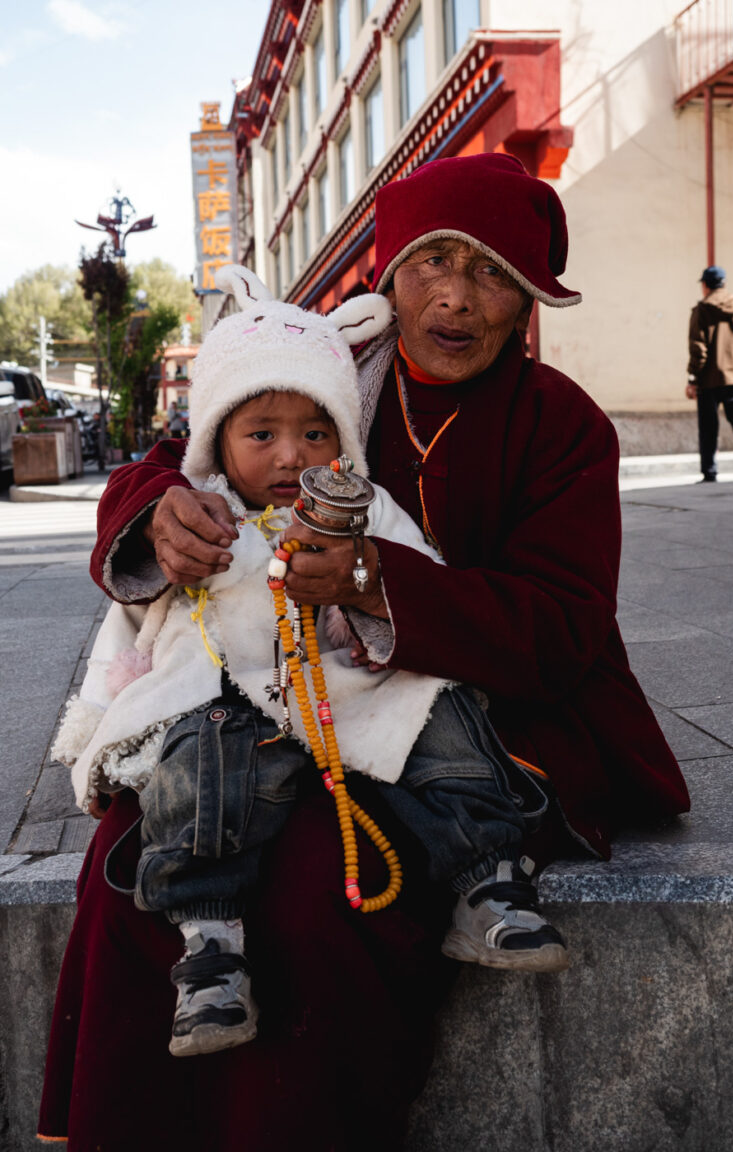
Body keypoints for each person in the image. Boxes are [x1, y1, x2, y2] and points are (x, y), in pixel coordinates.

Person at [39, 153, 689, 1152]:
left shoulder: (562, 427)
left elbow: (562, 628)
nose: (456, 298)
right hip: (286, 699)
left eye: (493, 274)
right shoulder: (334, 375)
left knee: (314, 890)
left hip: (485, 718)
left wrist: (376, 585)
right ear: (388, 274)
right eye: (432, 261)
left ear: (528, 303)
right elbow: (184, 457)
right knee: (137, 851)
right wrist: (155, 516)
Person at [51, 266, 557, 1061]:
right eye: (262, 434)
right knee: (200, 771)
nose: (291, 455)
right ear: (217, 437)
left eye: (315, 434)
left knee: (441, 720)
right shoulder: (206, 509)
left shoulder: (363, 499)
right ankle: (209, 943)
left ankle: (489, 877)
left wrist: (377, 599)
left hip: (348, 687)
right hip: (230, 700)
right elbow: (131, 624)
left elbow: (417, 573)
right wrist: (104, 715)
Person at [686, 265, 733, 482]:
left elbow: (698, 348)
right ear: (724, 284)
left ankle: (709, 473)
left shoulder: (702, 309)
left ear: (705, 285)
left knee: (708, 427)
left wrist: (693, 378)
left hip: (709, 379)